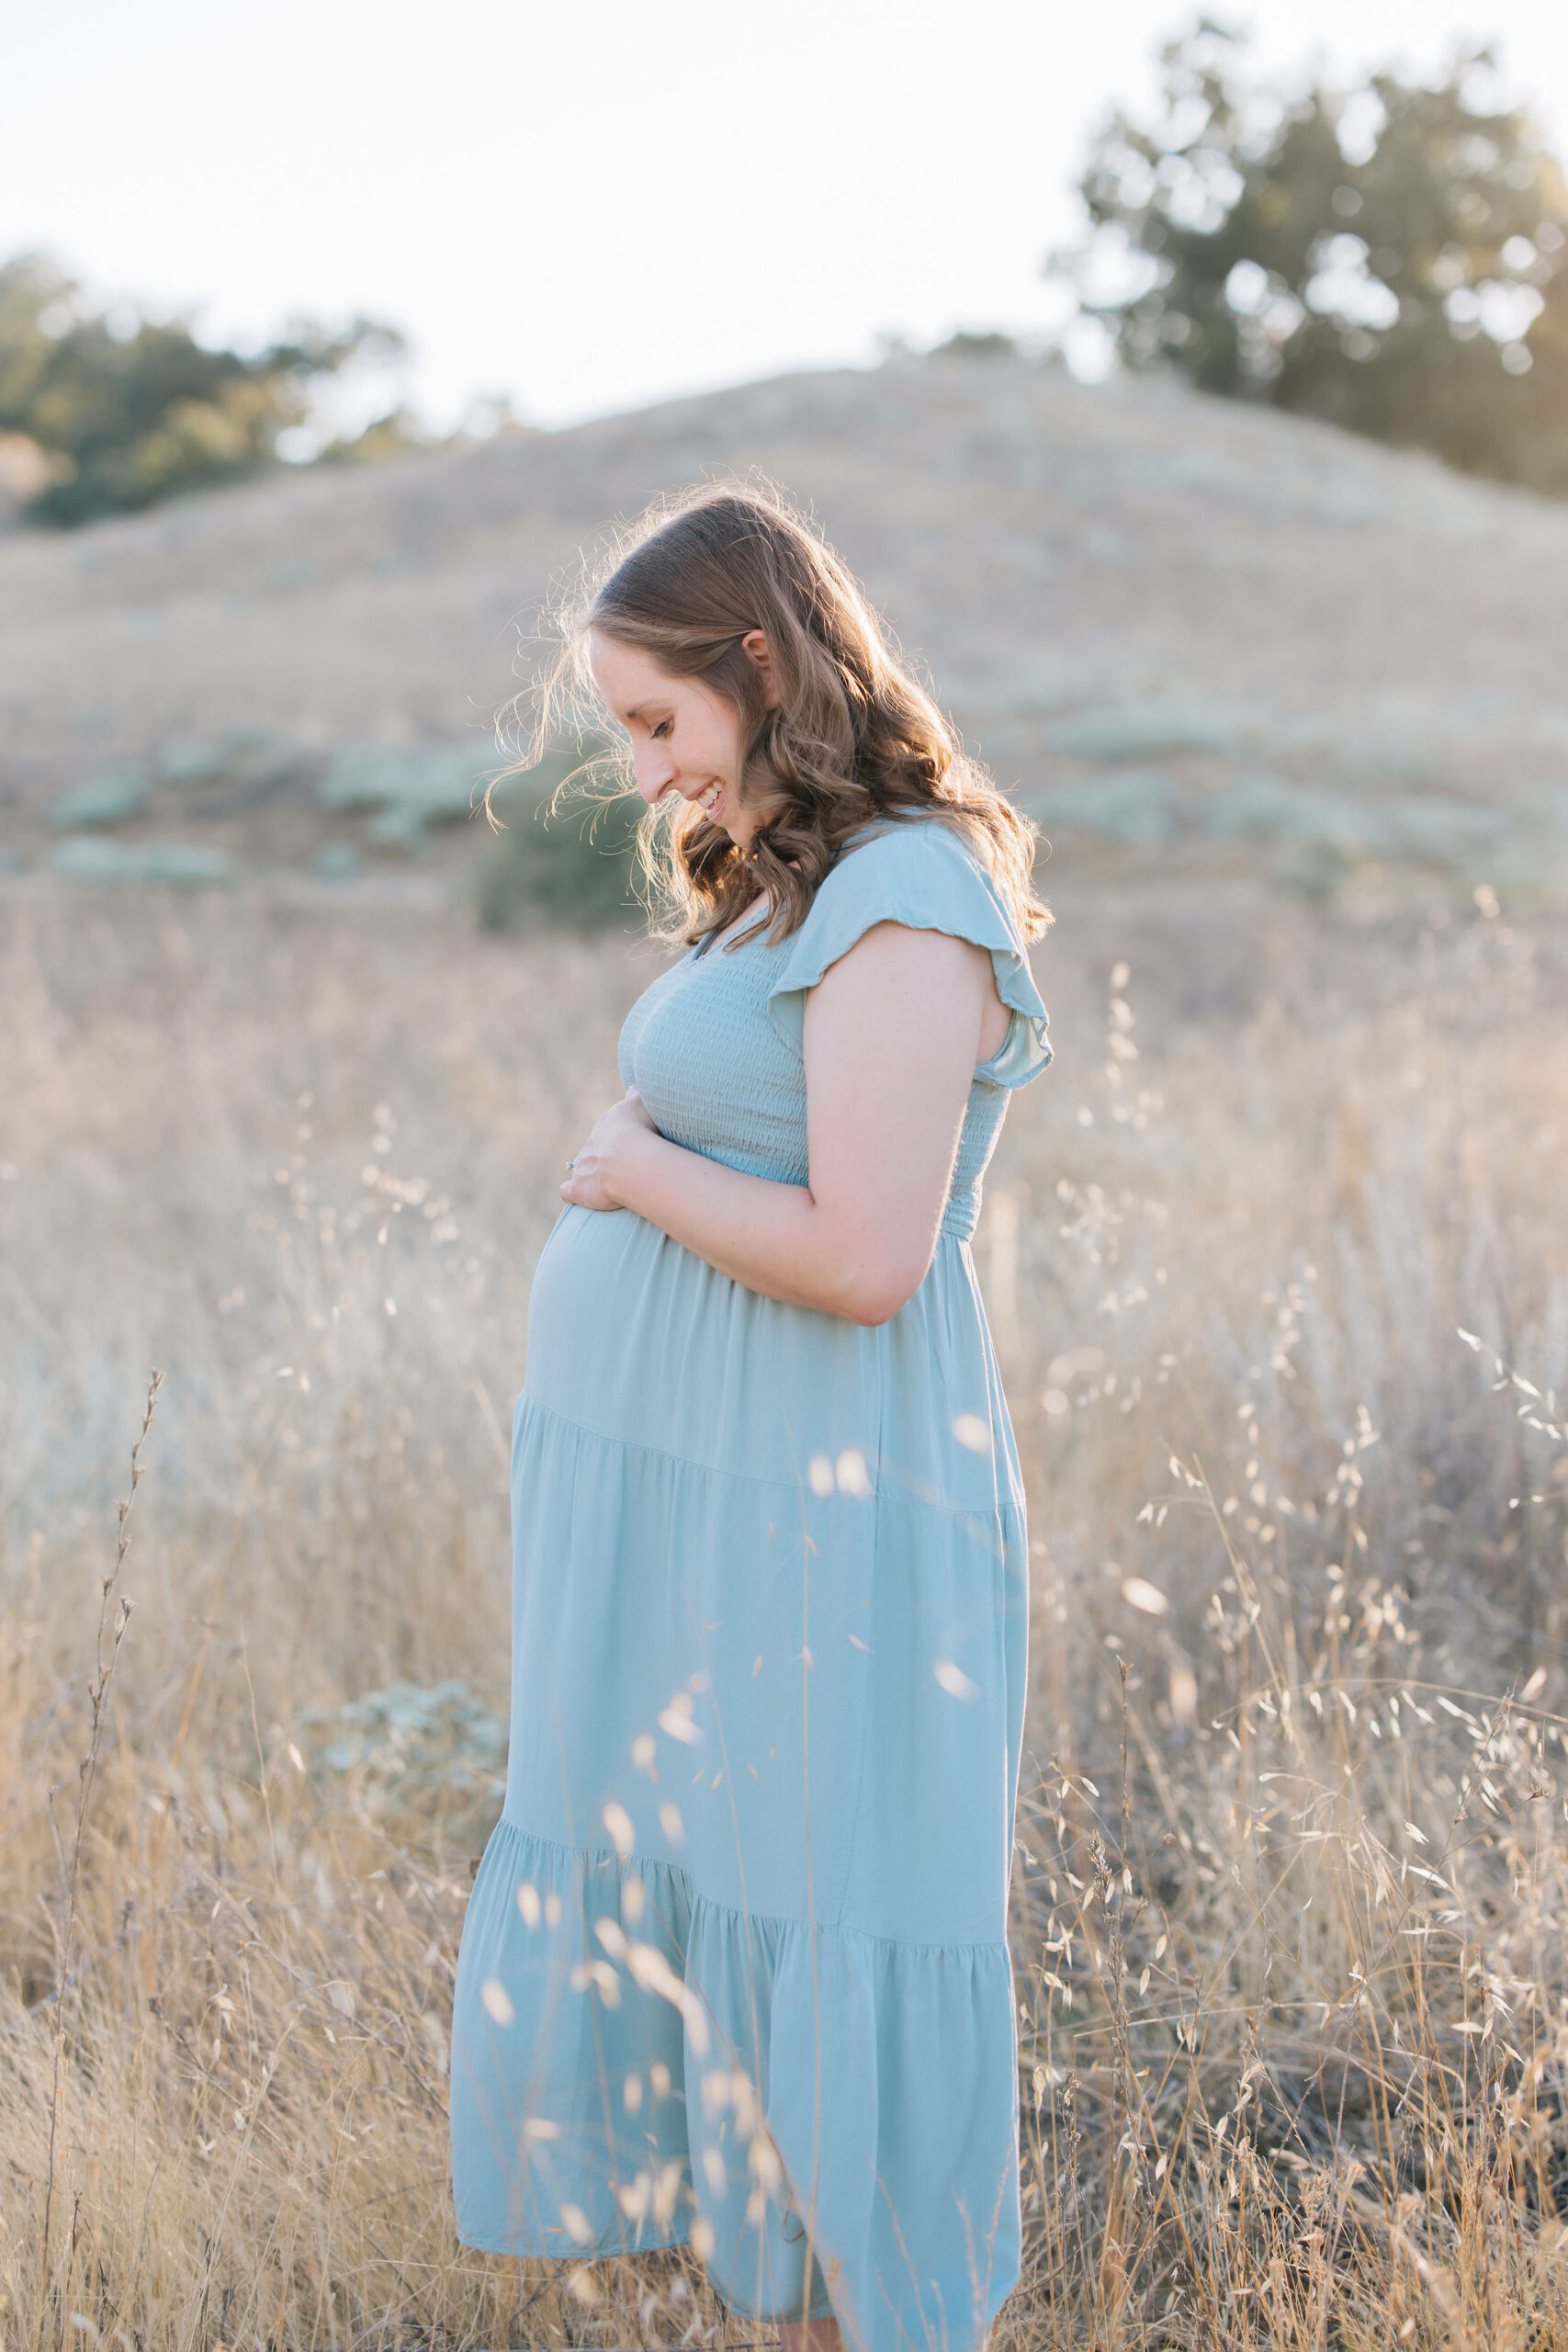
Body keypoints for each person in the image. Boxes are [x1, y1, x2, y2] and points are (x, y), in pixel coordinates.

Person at [450, 484, 1053, 2352]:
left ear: (762, 667)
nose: (640, 775)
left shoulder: (908, 893)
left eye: (656, 723)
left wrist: (632, 1168)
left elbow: (866, 1254)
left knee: (822, 1934)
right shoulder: (789, 882)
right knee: (733, 1942)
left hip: (823, 1510)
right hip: (709, 1499)